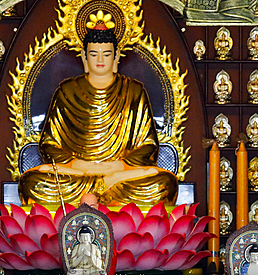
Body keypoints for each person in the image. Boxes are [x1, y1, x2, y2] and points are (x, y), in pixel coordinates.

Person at [18, 16, 178, 208]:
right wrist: (78, 165)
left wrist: (119, 166)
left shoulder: (134, 91)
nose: (100, 60)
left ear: (116, 56)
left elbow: (148, 145)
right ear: (85, 57)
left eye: (106, 54)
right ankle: (103, 189)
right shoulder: (67, 90)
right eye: (94, 54)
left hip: (120, 174)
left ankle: (102, 188)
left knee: (166, 183)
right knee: (30, 183)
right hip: (77, 174)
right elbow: (49, 145)